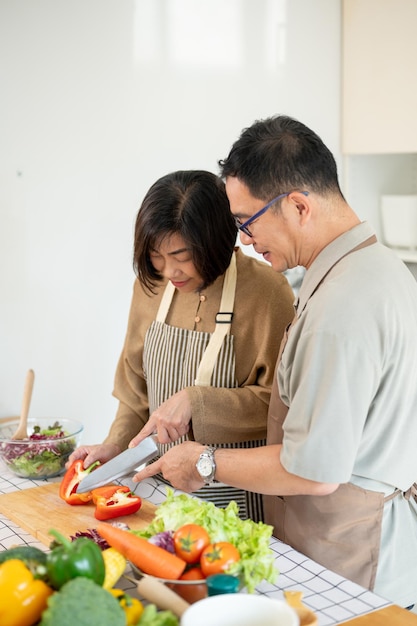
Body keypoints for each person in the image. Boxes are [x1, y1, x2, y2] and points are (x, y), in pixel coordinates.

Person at [133, 118, 417, 608]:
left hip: (356, 552)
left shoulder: (342, 306)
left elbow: (315, 471)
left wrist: (203, 459)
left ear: (298, 206)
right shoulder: (378, 267)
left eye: (247, 220)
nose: (242, 238)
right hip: (353, 537)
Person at [68, 169, 295, 521]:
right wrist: (116, 444)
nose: (170, 271)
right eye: (157, 256)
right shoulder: (151, 286)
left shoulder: (268, 292)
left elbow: (278, 405)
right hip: (156, 492)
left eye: (181, 255)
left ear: (214, 241)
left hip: (234, 499)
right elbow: (135, 393)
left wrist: (196, 402)